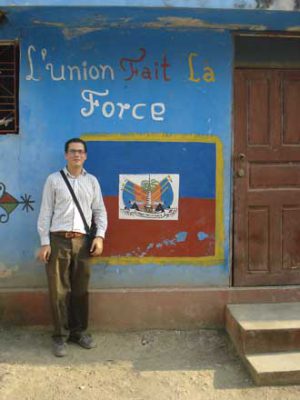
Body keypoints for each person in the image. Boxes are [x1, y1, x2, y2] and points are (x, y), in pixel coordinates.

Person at [37, 138, 107, 357]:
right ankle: (60, 337)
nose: (77, 155)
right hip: (58, 240)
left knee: (80, 290)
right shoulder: (54, 180)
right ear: (66, 155)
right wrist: (45, 242)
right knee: (58, 290)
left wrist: (99, 237)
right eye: (73, 151)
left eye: (81, 152)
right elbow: (45, 212)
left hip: (84, 242)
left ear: (85, 156)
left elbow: (100, 212)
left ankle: (79, 332)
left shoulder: (92, 181)